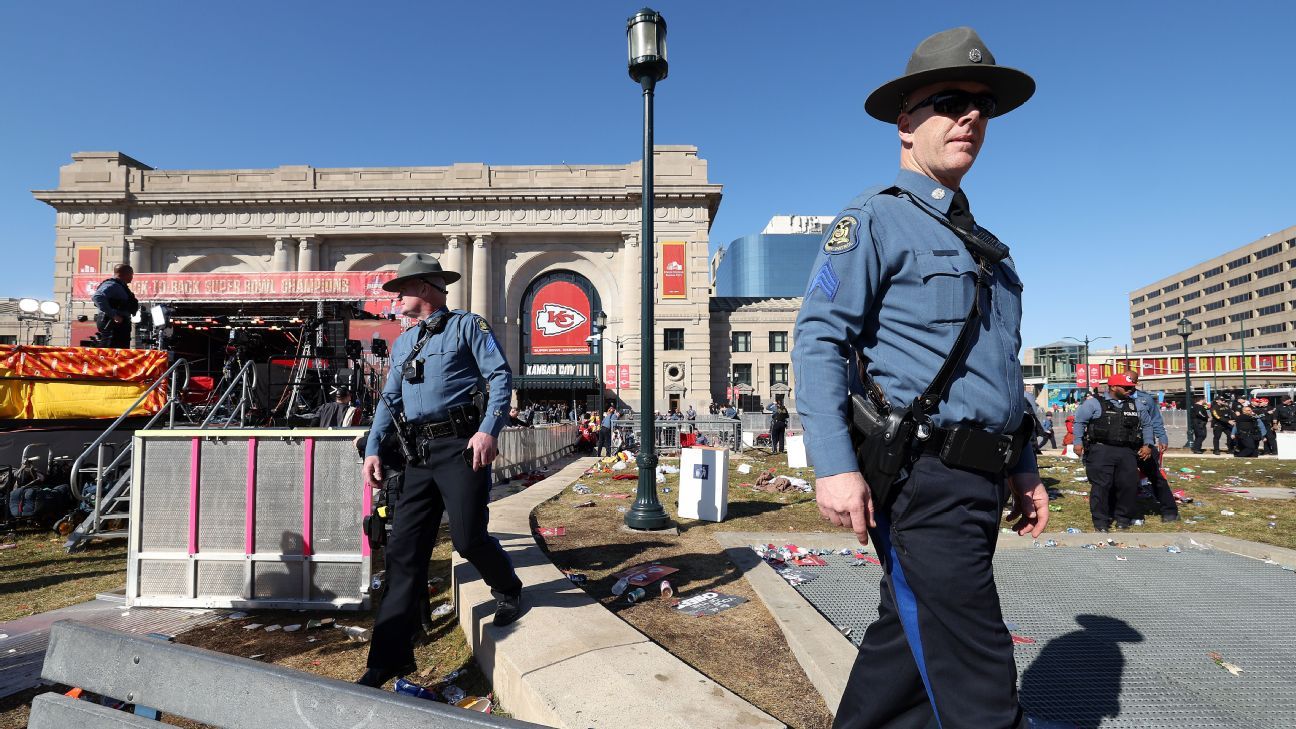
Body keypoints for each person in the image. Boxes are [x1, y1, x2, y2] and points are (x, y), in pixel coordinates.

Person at [791, 27, 1046, 729]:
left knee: (906, 653)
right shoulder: (873, 221)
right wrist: (834, 466)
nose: (970, 116)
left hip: (978, 479)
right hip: (922, 480)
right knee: (980, 678)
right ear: (906, 122)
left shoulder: (988, 247)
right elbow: (817, 338)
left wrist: (1022, 465)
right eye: (949, 101)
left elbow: (1001, 372)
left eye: (981, 105)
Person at [357, 253, 522, 688]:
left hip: (460, 446)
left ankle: (508, 587)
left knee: (468, 538)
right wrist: (373, 448)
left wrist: (489, 430)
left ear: (426, 289)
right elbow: (389, 401)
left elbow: (500, 378)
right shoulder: (402, 342)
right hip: (416, 455)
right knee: (403, 556)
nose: (395, 299)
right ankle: (386, 661)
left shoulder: (468, 326)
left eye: (402, 290)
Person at [1074, 373, 1154, 532]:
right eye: (1126, 387)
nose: (1130, 390)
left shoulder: (1136, 404)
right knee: (1101, 486)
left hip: (1127, 451)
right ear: (1112, 387)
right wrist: (1077, 442)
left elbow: (1147, 425)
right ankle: (1101, 521)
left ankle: (1123, 518)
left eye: (1131, 388)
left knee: (1128, 485)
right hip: (1101, 450)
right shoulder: (1094, 404)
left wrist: (1148, 444)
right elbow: (1079, 422)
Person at [1126, 372, 1177, 522]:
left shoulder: (1145, 399)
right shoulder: (1117, 399)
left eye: (1131, 384)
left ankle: (1170, 510)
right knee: (1124, 478)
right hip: (1125, 444)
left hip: (1145, 443)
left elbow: (1155, 420)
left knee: (1155, 477)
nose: (1128, 388)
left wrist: (1162, 437)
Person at [91, 263, 139, 348]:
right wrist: (114, 315)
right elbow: (97, 297)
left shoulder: (121, 286)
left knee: (120, 351)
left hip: (119, 324)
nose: (132, 277)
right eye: (131, 274)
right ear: (124, 274)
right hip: (111, 323)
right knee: (110, 352)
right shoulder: (112, 285)